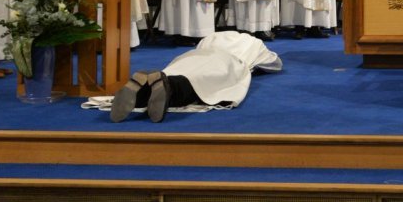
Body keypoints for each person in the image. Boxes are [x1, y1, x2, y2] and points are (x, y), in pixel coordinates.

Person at [104, 31, 282, 122]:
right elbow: (274, 63)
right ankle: (169, 88)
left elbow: (200, 46)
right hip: (228, 61)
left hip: (193, 56)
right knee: (201, 84)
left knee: (178, 72)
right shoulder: (253, 43)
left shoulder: (211, 37)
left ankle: (141, 90)